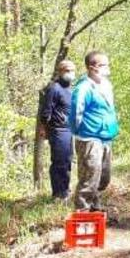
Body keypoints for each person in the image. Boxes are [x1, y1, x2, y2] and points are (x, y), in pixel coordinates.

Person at [70, 51, 119, 211]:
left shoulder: (106, 85)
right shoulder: (84, 87)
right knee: (90, 176)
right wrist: (80, 133)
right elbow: (75, 113)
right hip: (89, 138)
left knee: (103, 177)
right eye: (104, 65)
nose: (107, 68)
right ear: (92, 67)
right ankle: (83, 211)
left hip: (105, 137)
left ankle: (94, 205)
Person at [39, 60, 76, 199]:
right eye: (67, 70)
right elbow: (46, 111)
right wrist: (44, 129)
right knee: (59, 162)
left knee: (67, 161)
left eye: (72, 70)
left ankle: (65, 190)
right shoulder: (54, 89)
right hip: (58, 130)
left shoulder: (70, 90)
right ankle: (58, 194)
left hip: (69, 130)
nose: (70, 73)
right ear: (60, 72)